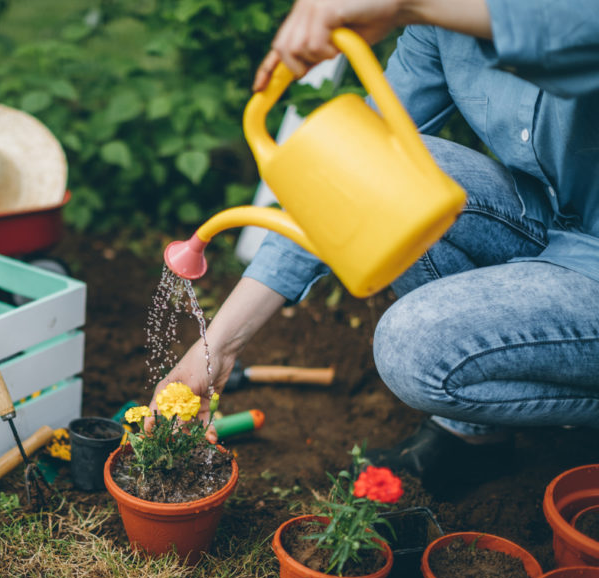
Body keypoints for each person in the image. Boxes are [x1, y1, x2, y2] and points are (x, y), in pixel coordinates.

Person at [148, 0, 599, 482]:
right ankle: (474, 435)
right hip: (549, 225)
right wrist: (215, 348)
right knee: (384, 172)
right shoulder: (438, 25)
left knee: (412, 347)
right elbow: (344, 177)